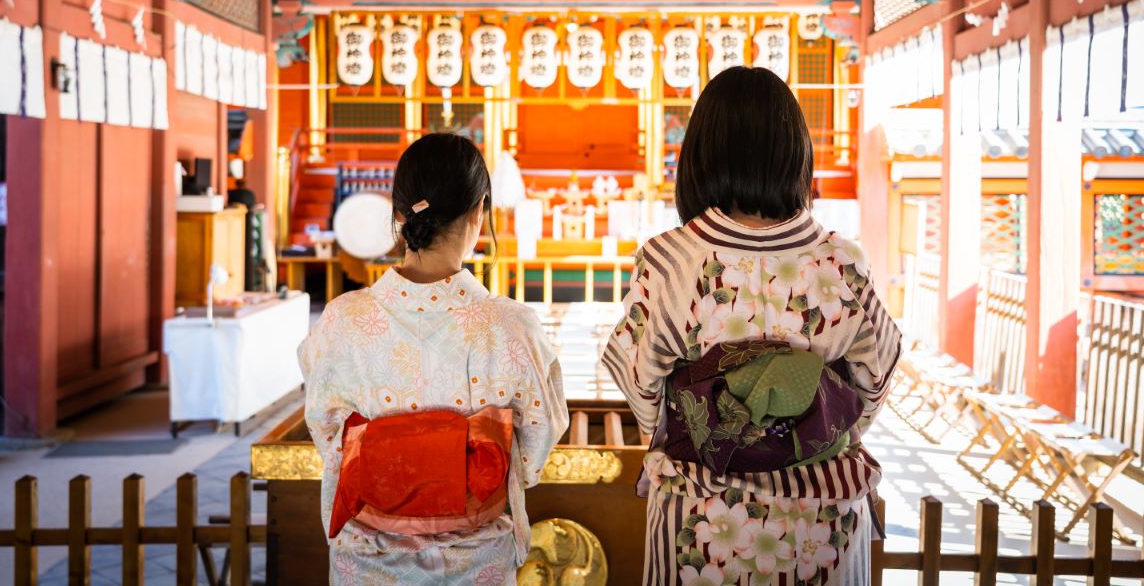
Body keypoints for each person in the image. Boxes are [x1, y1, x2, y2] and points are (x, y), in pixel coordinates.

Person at [602, 67, 901, 586]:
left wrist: (710, 425)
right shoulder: (841, 261)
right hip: (822, 519)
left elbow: (642, 386)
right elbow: (877, 375)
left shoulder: (671, 260)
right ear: (795, 155)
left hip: (701, 521)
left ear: (698, 158)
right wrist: (813, 427)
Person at [299, 133, 568, 585]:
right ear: (479, 211)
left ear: (398, 213)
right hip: (475, 559)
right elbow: (537, 447)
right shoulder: (510, 327)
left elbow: (328, 433)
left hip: (367, 559)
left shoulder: (341, 321)